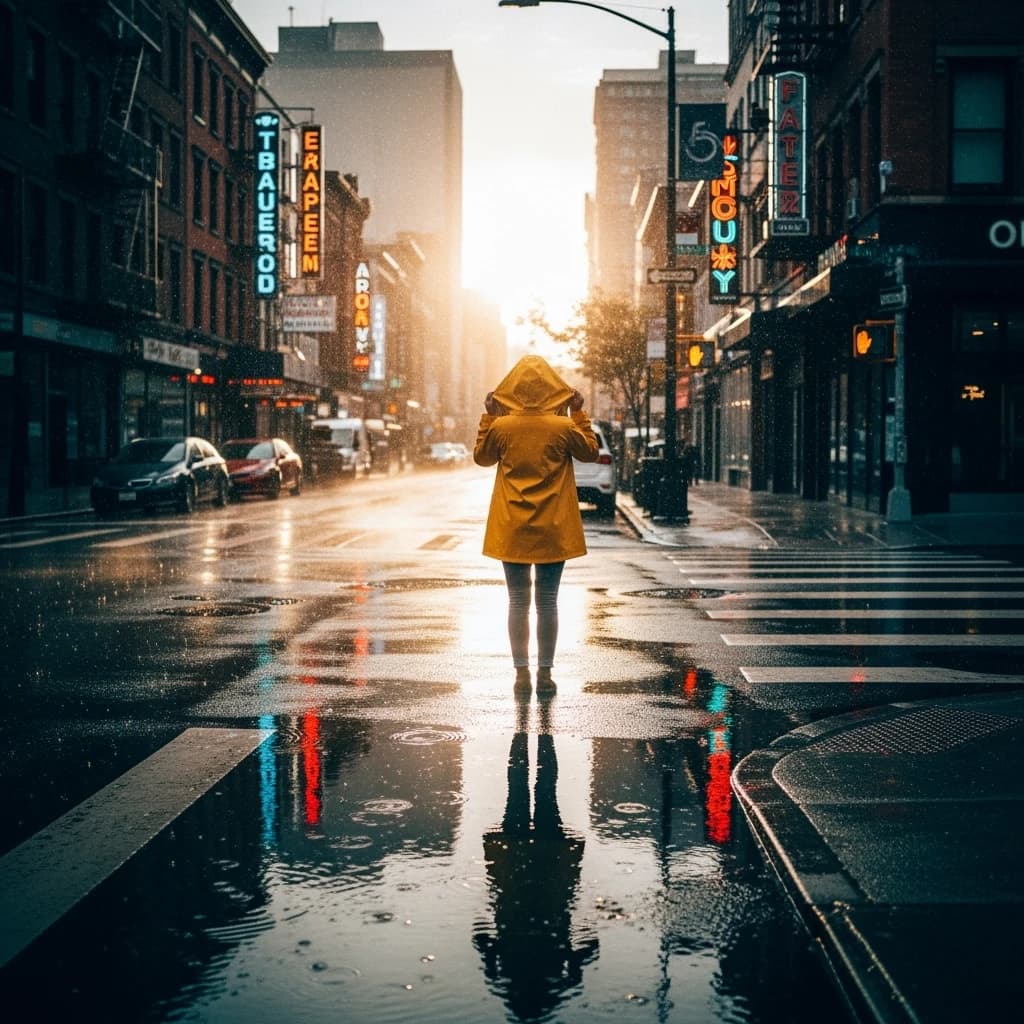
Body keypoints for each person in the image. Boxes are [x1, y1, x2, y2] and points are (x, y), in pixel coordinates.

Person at [474, 355, 599, 693]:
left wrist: (490, 416)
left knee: (517, 600)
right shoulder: (563, 428)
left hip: (511, 525)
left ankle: (520, 674)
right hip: (553, 526)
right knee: (547, 601)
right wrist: (578, 413)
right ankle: (545, 674)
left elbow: (482, 458)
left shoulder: (502, 427)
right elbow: (590, 452)